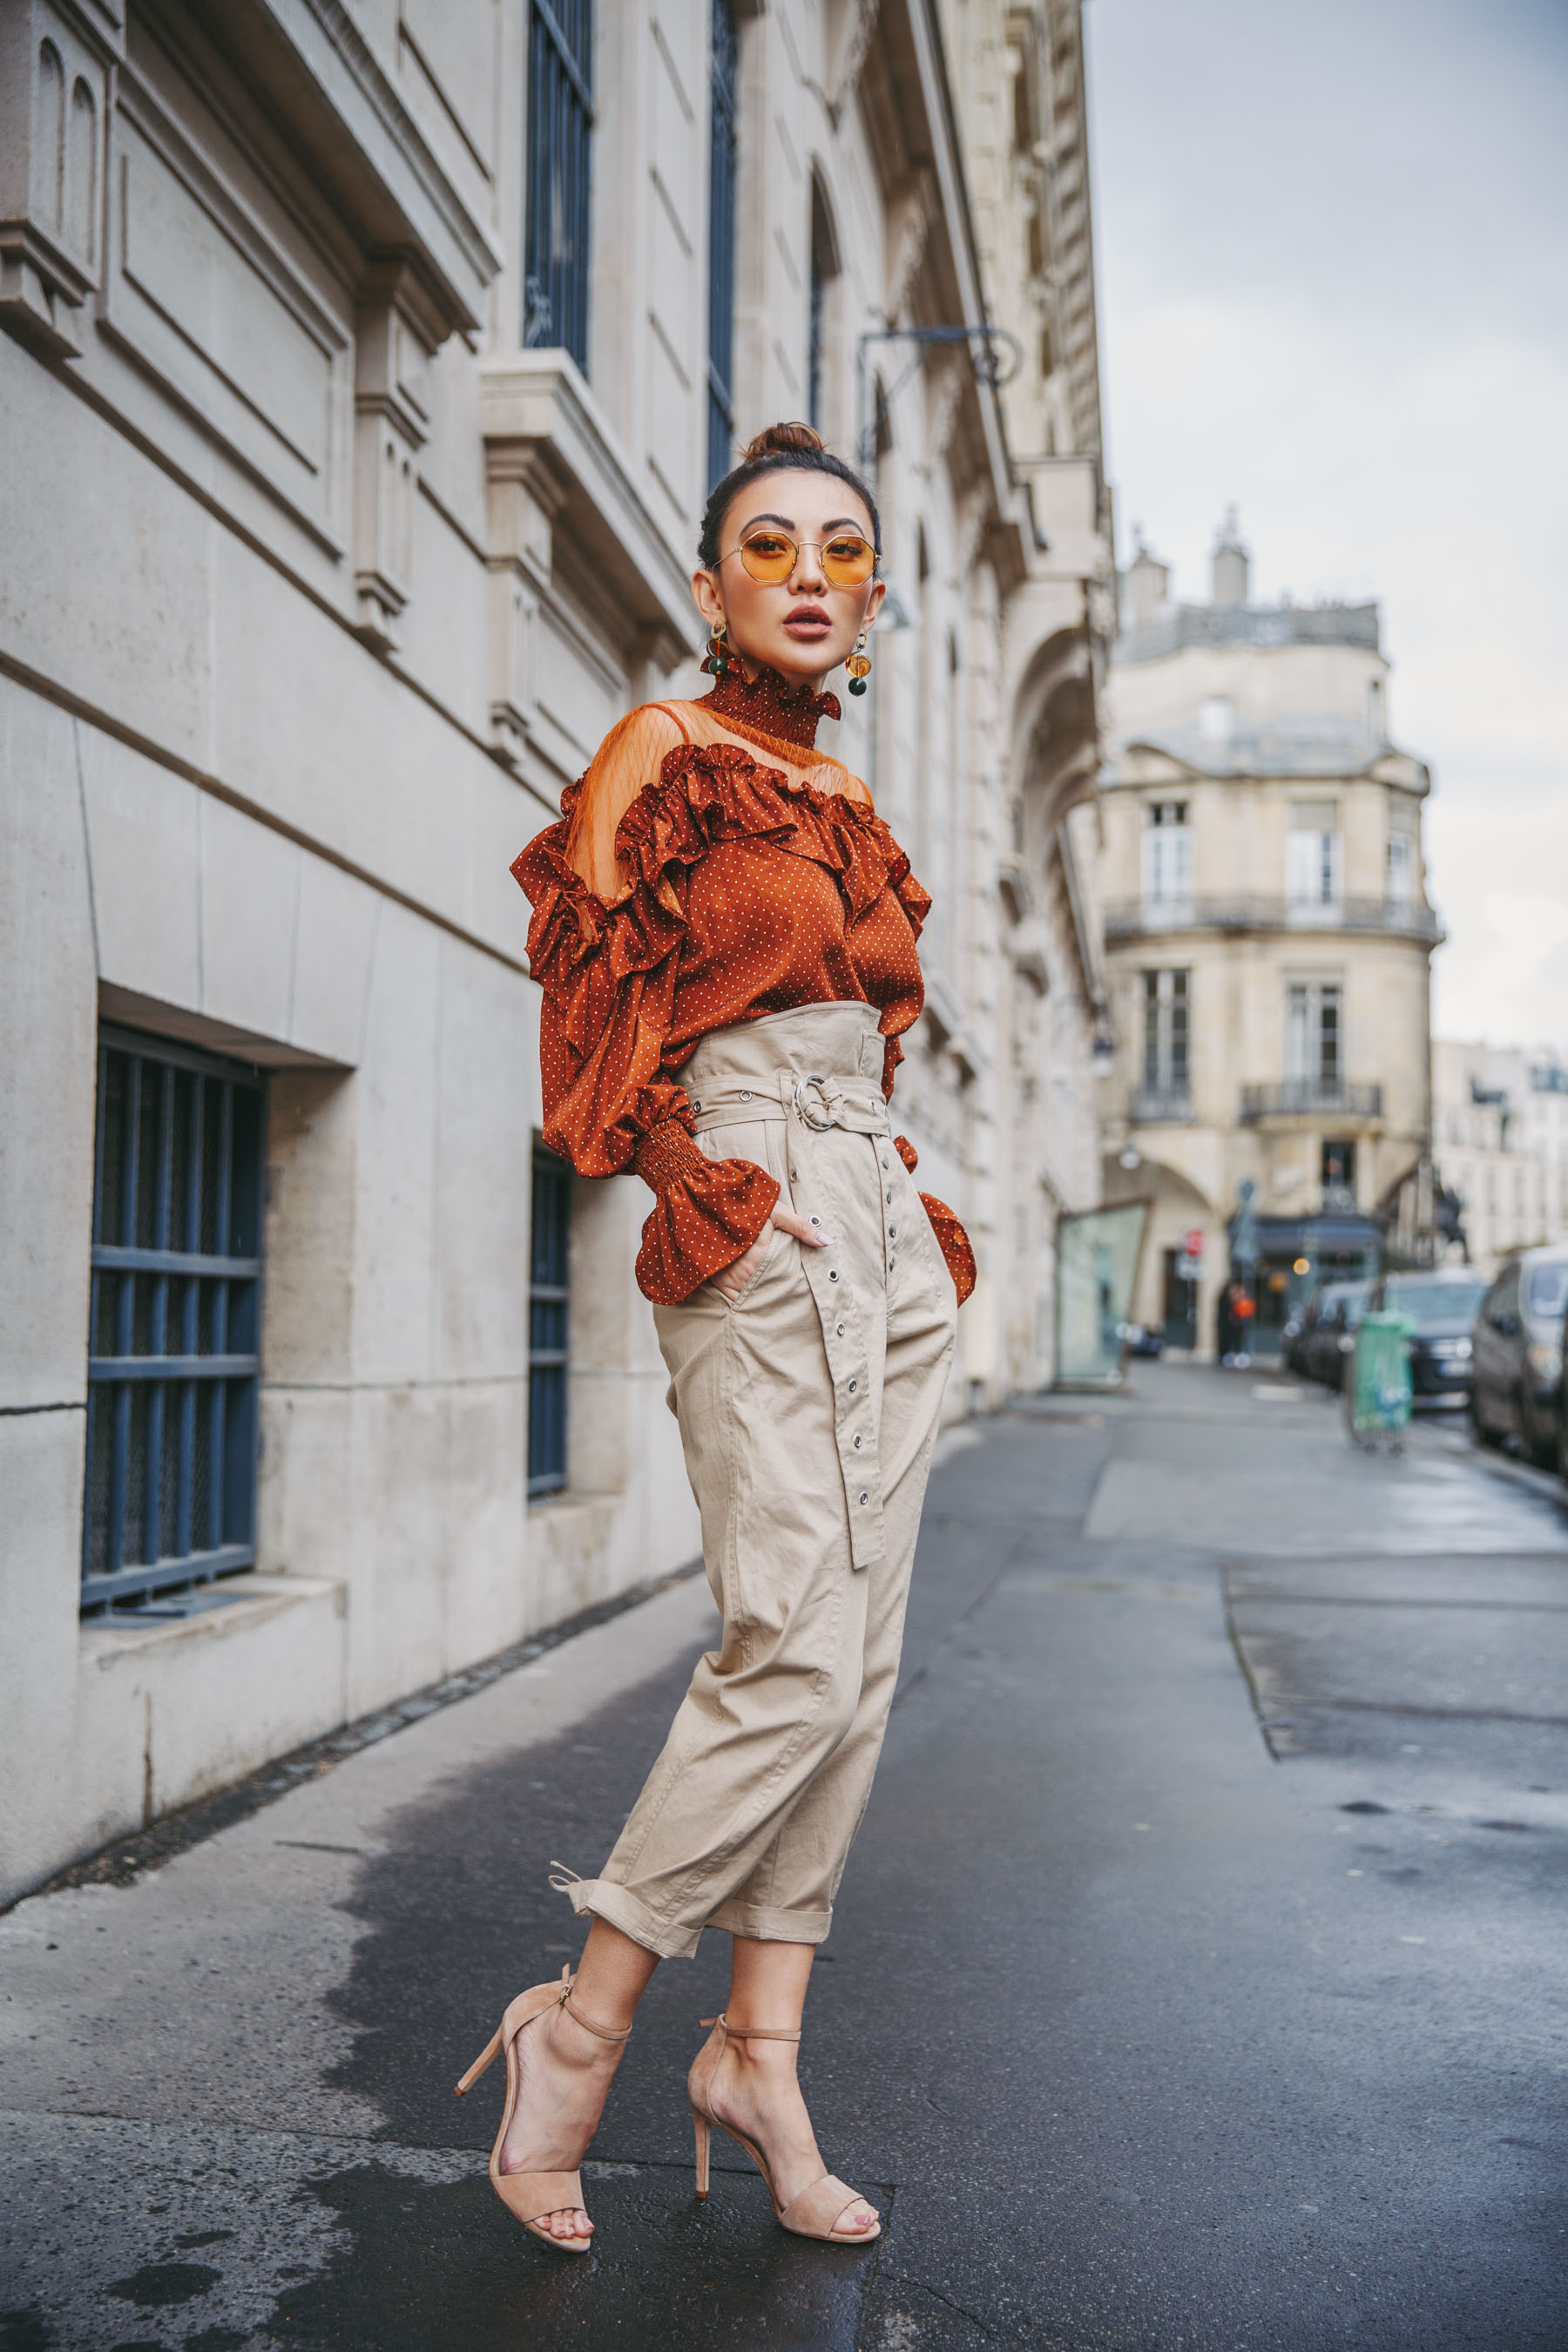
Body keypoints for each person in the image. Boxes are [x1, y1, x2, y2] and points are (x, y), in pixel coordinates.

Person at [461, 420, 974, 2258]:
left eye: (843, 548)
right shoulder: (664, 752)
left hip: (879, 1209)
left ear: (877, 592)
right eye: (773, 546)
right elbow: (590, 1012)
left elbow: (873, 1018)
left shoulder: (847, 805)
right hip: (754, 1199)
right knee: (794, 1649)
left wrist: (882, 1195)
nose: (814, 574)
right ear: (711, 587)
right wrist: (691, 1167)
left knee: (867, 1662)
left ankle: (761, 2052)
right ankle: (579, 2032)